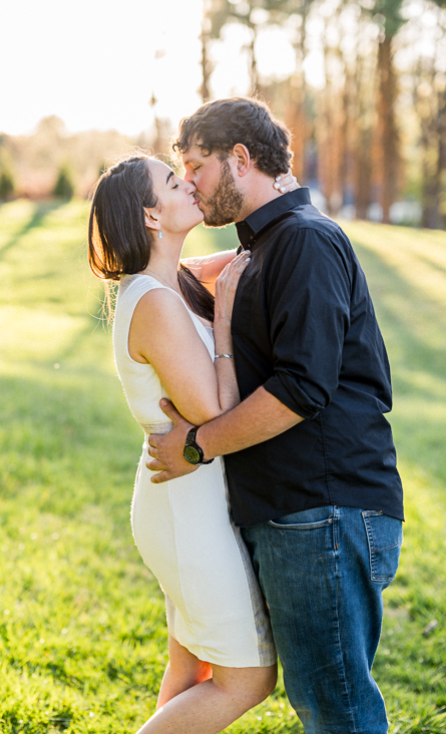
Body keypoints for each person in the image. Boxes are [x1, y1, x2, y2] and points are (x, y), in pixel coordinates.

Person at [145, 97, 404, 734]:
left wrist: (198, 445)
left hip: (323, 506)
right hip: (292, 508)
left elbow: (301, 389)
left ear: (240, 159)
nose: (193, 184)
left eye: (197, 166)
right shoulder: (260, 250)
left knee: (335, 708)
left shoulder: (305, 242)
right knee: (321, 700)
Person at [87, 155, 299, 732]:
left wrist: (282, 194)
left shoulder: (169, 280)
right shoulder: (153, 302)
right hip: (186, 508)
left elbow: (254, 253)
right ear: (152, 215)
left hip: (189, 495)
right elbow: (215, 413)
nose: (191, 186)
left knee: (194, 666)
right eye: (176, 183)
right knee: (248, 677)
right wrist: (225, 317)